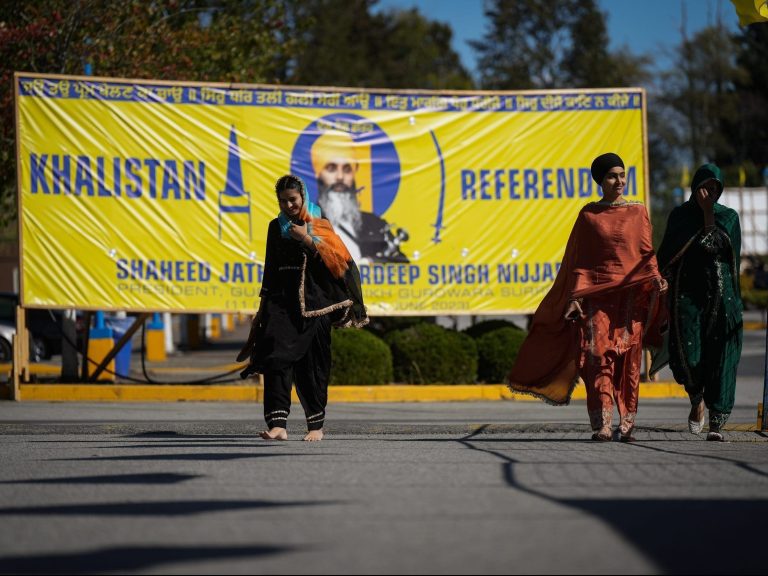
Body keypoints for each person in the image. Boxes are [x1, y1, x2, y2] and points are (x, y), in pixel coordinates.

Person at [507, 153, 667, 442]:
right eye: (611, 176)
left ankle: (627, 422)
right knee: (595, 356)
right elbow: (580, 261)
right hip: (596, 297)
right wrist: (575, 297)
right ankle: (604, 423)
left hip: (631, 298)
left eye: (621, 174)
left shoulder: (638, 211)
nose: (618, 181)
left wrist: (655, 276)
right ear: (600, 181)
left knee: (628, 360)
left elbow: (645, 251)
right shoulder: (589, 215)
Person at [237, 174, 368, 441]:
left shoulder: (319, 225)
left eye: (293, 200)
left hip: (315, 306)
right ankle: (278, 425)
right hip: (281, 305)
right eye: (283, 201)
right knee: (275, 360)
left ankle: (315, 427)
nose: (289, 206)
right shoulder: (276, 227)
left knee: (313, 365)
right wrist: (263, 308)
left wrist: (307, 240)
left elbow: (339, 264)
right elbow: (270, 269)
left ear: (303, 197)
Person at [653, 163, 743, 442]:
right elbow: (666, 255)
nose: (710, 193)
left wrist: (707, 215)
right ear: (694, 187)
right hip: (687, 299)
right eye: (705, 187)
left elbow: (715, 246)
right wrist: (661, 279)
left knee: (721, 359)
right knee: (687, 358)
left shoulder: (728, 217)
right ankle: (696, 400)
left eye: (715, 188)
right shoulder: (680, 216)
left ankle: (717, 421)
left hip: (722, 300)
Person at [311, 130, 409, 263]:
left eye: (347, 169)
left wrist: (372, 262)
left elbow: (404, 266)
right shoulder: (304, 225)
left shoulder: (375, 225)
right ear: (319, 174)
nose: (340, 177)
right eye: (331, 168)